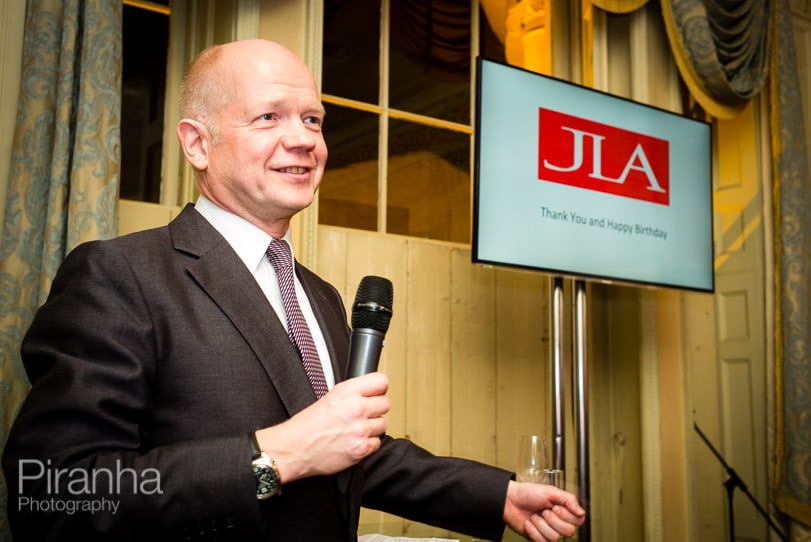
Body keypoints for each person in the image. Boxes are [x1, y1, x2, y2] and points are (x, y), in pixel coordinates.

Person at [2, 39, 585, 541]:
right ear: (197, 144)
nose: (304, 139)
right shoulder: (120, 275)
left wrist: (497, 495)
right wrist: (273, 458)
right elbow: (57, 494)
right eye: (268, 118)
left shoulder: (322, 296)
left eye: (312, 119)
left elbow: (345, 455)